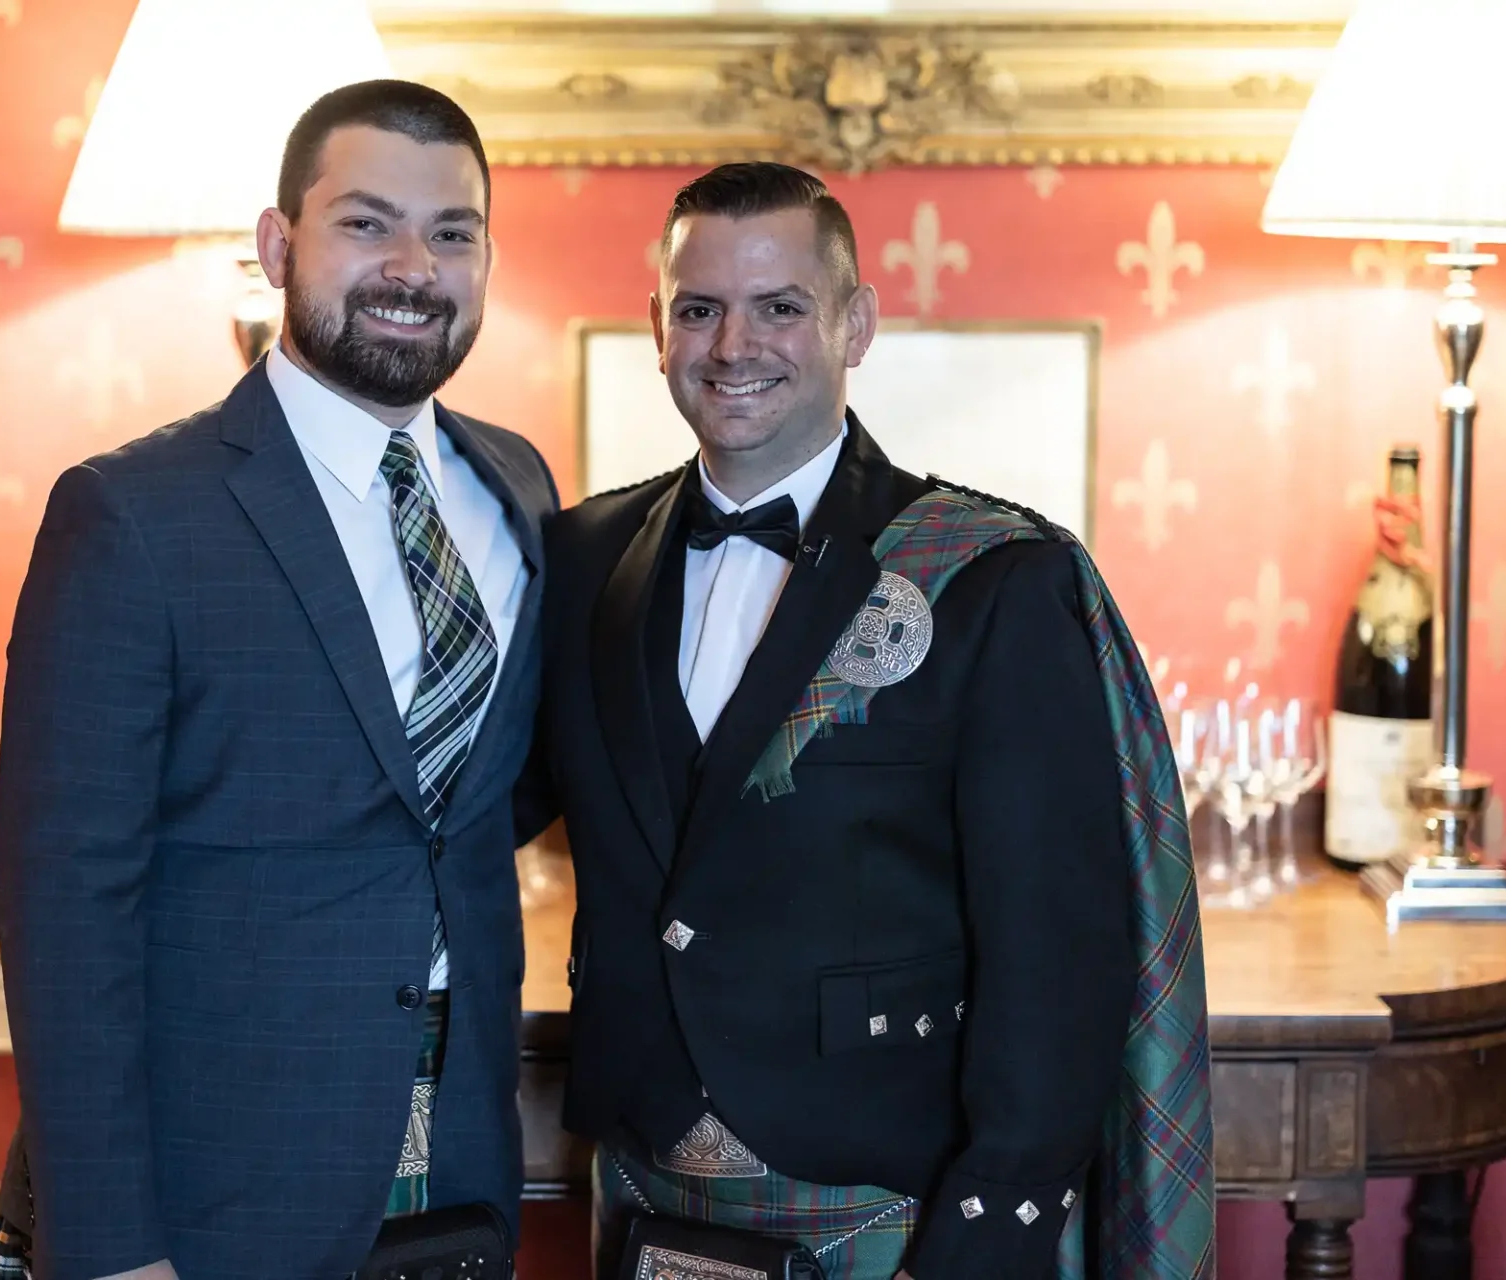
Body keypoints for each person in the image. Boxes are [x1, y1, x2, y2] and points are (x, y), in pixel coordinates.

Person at [516, 162, 1214, 1279]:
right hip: (643, 1190)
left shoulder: (993, 578)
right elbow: (471, 804)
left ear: (856, 323)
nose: (734, 343)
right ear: (658, 327)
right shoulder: (580, 554)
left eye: (780, 306)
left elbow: (1059, 955)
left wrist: (991, 1234)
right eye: (700, 308)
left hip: (887, 1200)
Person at [0, 79, 557, 1280]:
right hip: (212, 1186)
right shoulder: (132, 516)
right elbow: (66, 912)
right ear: (277, 244)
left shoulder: (520, 486)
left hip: (459, 1161)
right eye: (366, 222)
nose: (414, 264)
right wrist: (107, 1246)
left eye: (453, 233)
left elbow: (486, 797)